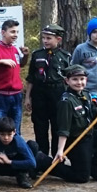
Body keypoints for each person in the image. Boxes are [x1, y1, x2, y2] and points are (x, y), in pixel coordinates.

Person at [38, 64, 97, 183]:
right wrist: (60, 150)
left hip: (88, 134)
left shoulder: (85, 94)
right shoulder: (66, 102)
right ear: (67, 81)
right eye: (75, 79)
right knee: (81, 177)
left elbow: (92, 114)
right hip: (76, 140)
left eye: (82, 79)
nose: (79, 82)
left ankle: (95, 167)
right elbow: (64, 129)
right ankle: (42, 161)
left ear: (86, 80)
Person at [24, 24, 71, 157]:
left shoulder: (65, 56)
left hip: (57, 92)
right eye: (43, 38)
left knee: (57, 126)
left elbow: (69, 79)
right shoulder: (37, 54)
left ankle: (56, 156)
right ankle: (42, 156)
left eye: (49, 38)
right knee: (40, 126)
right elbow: (31, 78)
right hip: (39, 93)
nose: (45, 41)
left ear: (58, 39)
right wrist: (27, 97)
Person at [0, 20, 30, 133]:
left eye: (17, 32)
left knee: (15, 129)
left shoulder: (15, 49)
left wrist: (25, 56)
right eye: (12, 32)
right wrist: (0, 62)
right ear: (3, 32)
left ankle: (14, 145)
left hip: (16, 95)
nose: (15, 35)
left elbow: (21, 64)